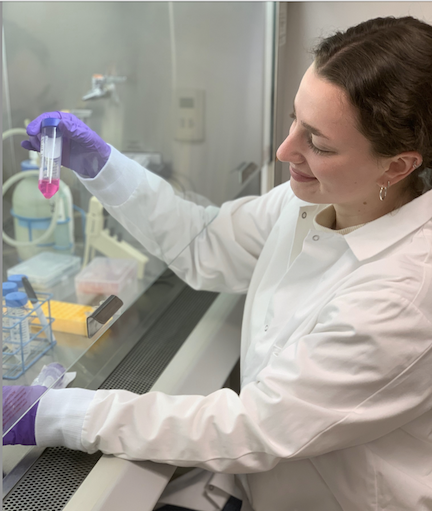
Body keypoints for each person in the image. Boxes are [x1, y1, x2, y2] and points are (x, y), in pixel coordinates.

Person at [4, 15, 432, 511]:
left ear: (398, 165)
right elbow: (205, 243)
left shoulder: (404, 295)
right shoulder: (313, 200)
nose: (284, 149)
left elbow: (252, 427)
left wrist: (53, 413)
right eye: (295, 119)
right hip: (269, 487)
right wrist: (104, 168)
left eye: (318, 143)